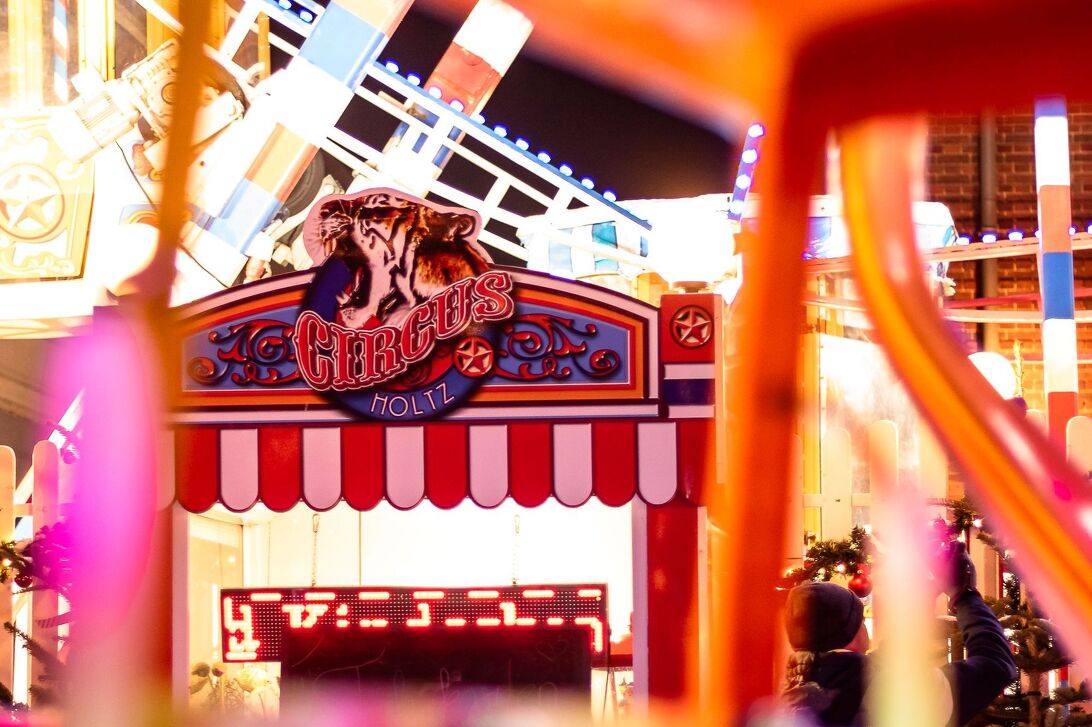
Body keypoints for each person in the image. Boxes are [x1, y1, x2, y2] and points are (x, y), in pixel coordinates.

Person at [782, 542, 1017, 726]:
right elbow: (995, 665)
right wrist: (964, 595)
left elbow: (880, 659)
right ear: (853, 633)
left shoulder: (784, 704)